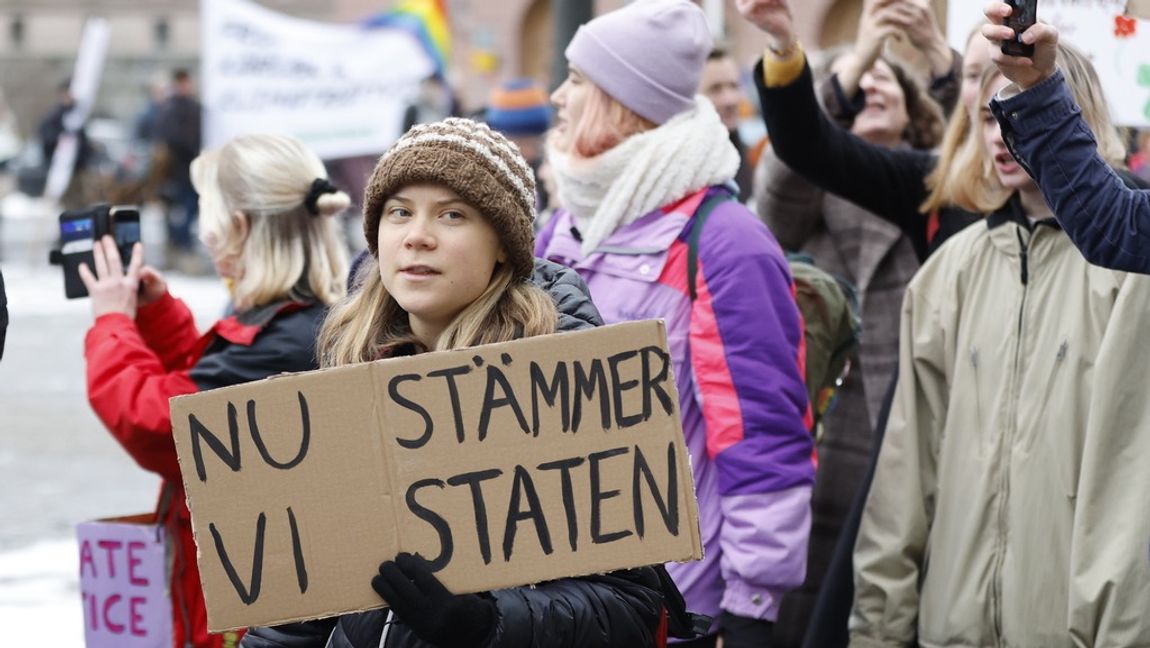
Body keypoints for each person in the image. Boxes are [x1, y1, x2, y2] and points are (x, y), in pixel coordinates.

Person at [242, 117, 698, 648]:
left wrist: (486, 624)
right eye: (399, 213)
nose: (417, 236)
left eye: (452, 215)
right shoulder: (346, 367)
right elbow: (302, 607)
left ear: (502, 244)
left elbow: (630, 608)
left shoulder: (565, 378)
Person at [535, 2, 815, 646]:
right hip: (568, 600)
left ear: (621, 101)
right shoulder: (565, 228)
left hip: (678, 607)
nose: (559, 95)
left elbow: (762, 445)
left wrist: (748, 608)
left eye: (577, 80)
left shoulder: (723, 244)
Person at [81, 134, 351, 648]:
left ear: (240, 227)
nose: (205, 238)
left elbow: (158, 422)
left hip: (249, 613)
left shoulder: (278, 343)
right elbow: (210, 385)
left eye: (210, 217)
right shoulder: (301, 323)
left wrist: (112, 322)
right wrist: (158, 315)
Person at [750, 11, 946, 646]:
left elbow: (972, 138)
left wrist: (935, 53)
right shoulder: (809, 192)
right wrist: (851, 65)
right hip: (826, 435)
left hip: (917, 426)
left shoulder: (938, 184)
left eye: (889, 77)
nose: (874, 83)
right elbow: (782, 179)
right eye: (861, 79)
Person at [981, 4, 1150, 273]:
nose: (999, 137)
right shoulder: (964, 255)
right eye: (988, 118)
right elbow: (1114, 225)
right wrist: (1036, 87)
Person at [156, 68, 204, 260]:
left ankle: (180, 244)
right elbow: (172, 139)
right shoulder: (170, 109)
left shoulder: (190, 107)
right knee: (181, 210)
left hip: (191, 169)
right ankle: (180, 246)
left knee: (190, 209)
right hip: (178, 171)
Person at [699, 47, 754, 202]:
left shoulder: (755, 158)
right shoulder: (688, 171)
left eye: (734, 86)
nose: (729, 99)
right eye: (715, 89)